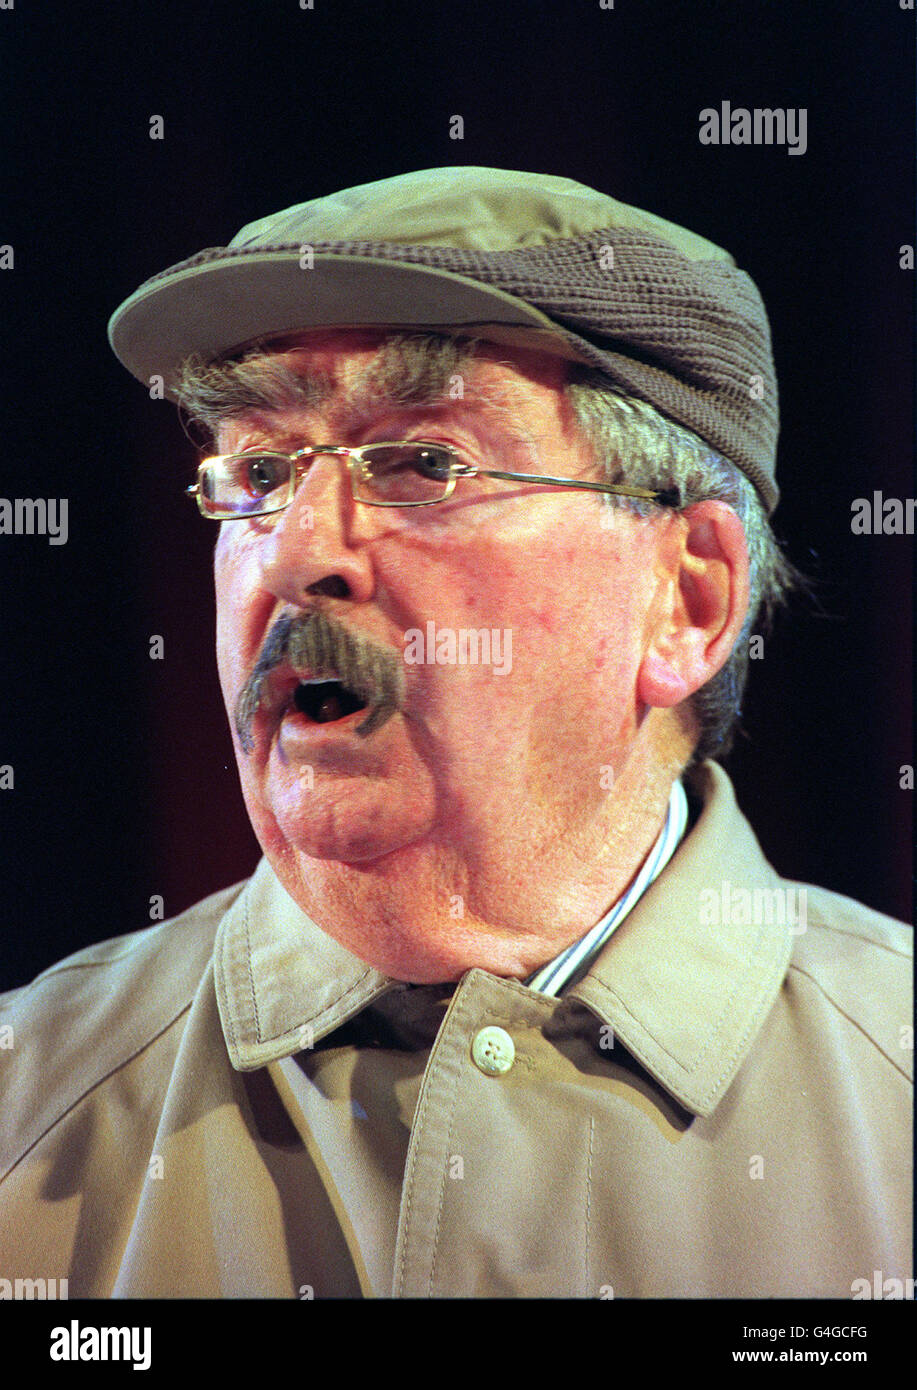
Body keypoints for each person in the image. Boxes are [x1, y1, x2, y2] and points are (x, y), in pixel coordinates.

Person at [0, 168, 910, 1299]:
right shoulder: (22, 1112)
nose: (294, 554)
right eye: (260, 471)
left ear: (688, 600)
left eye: (424, 463)